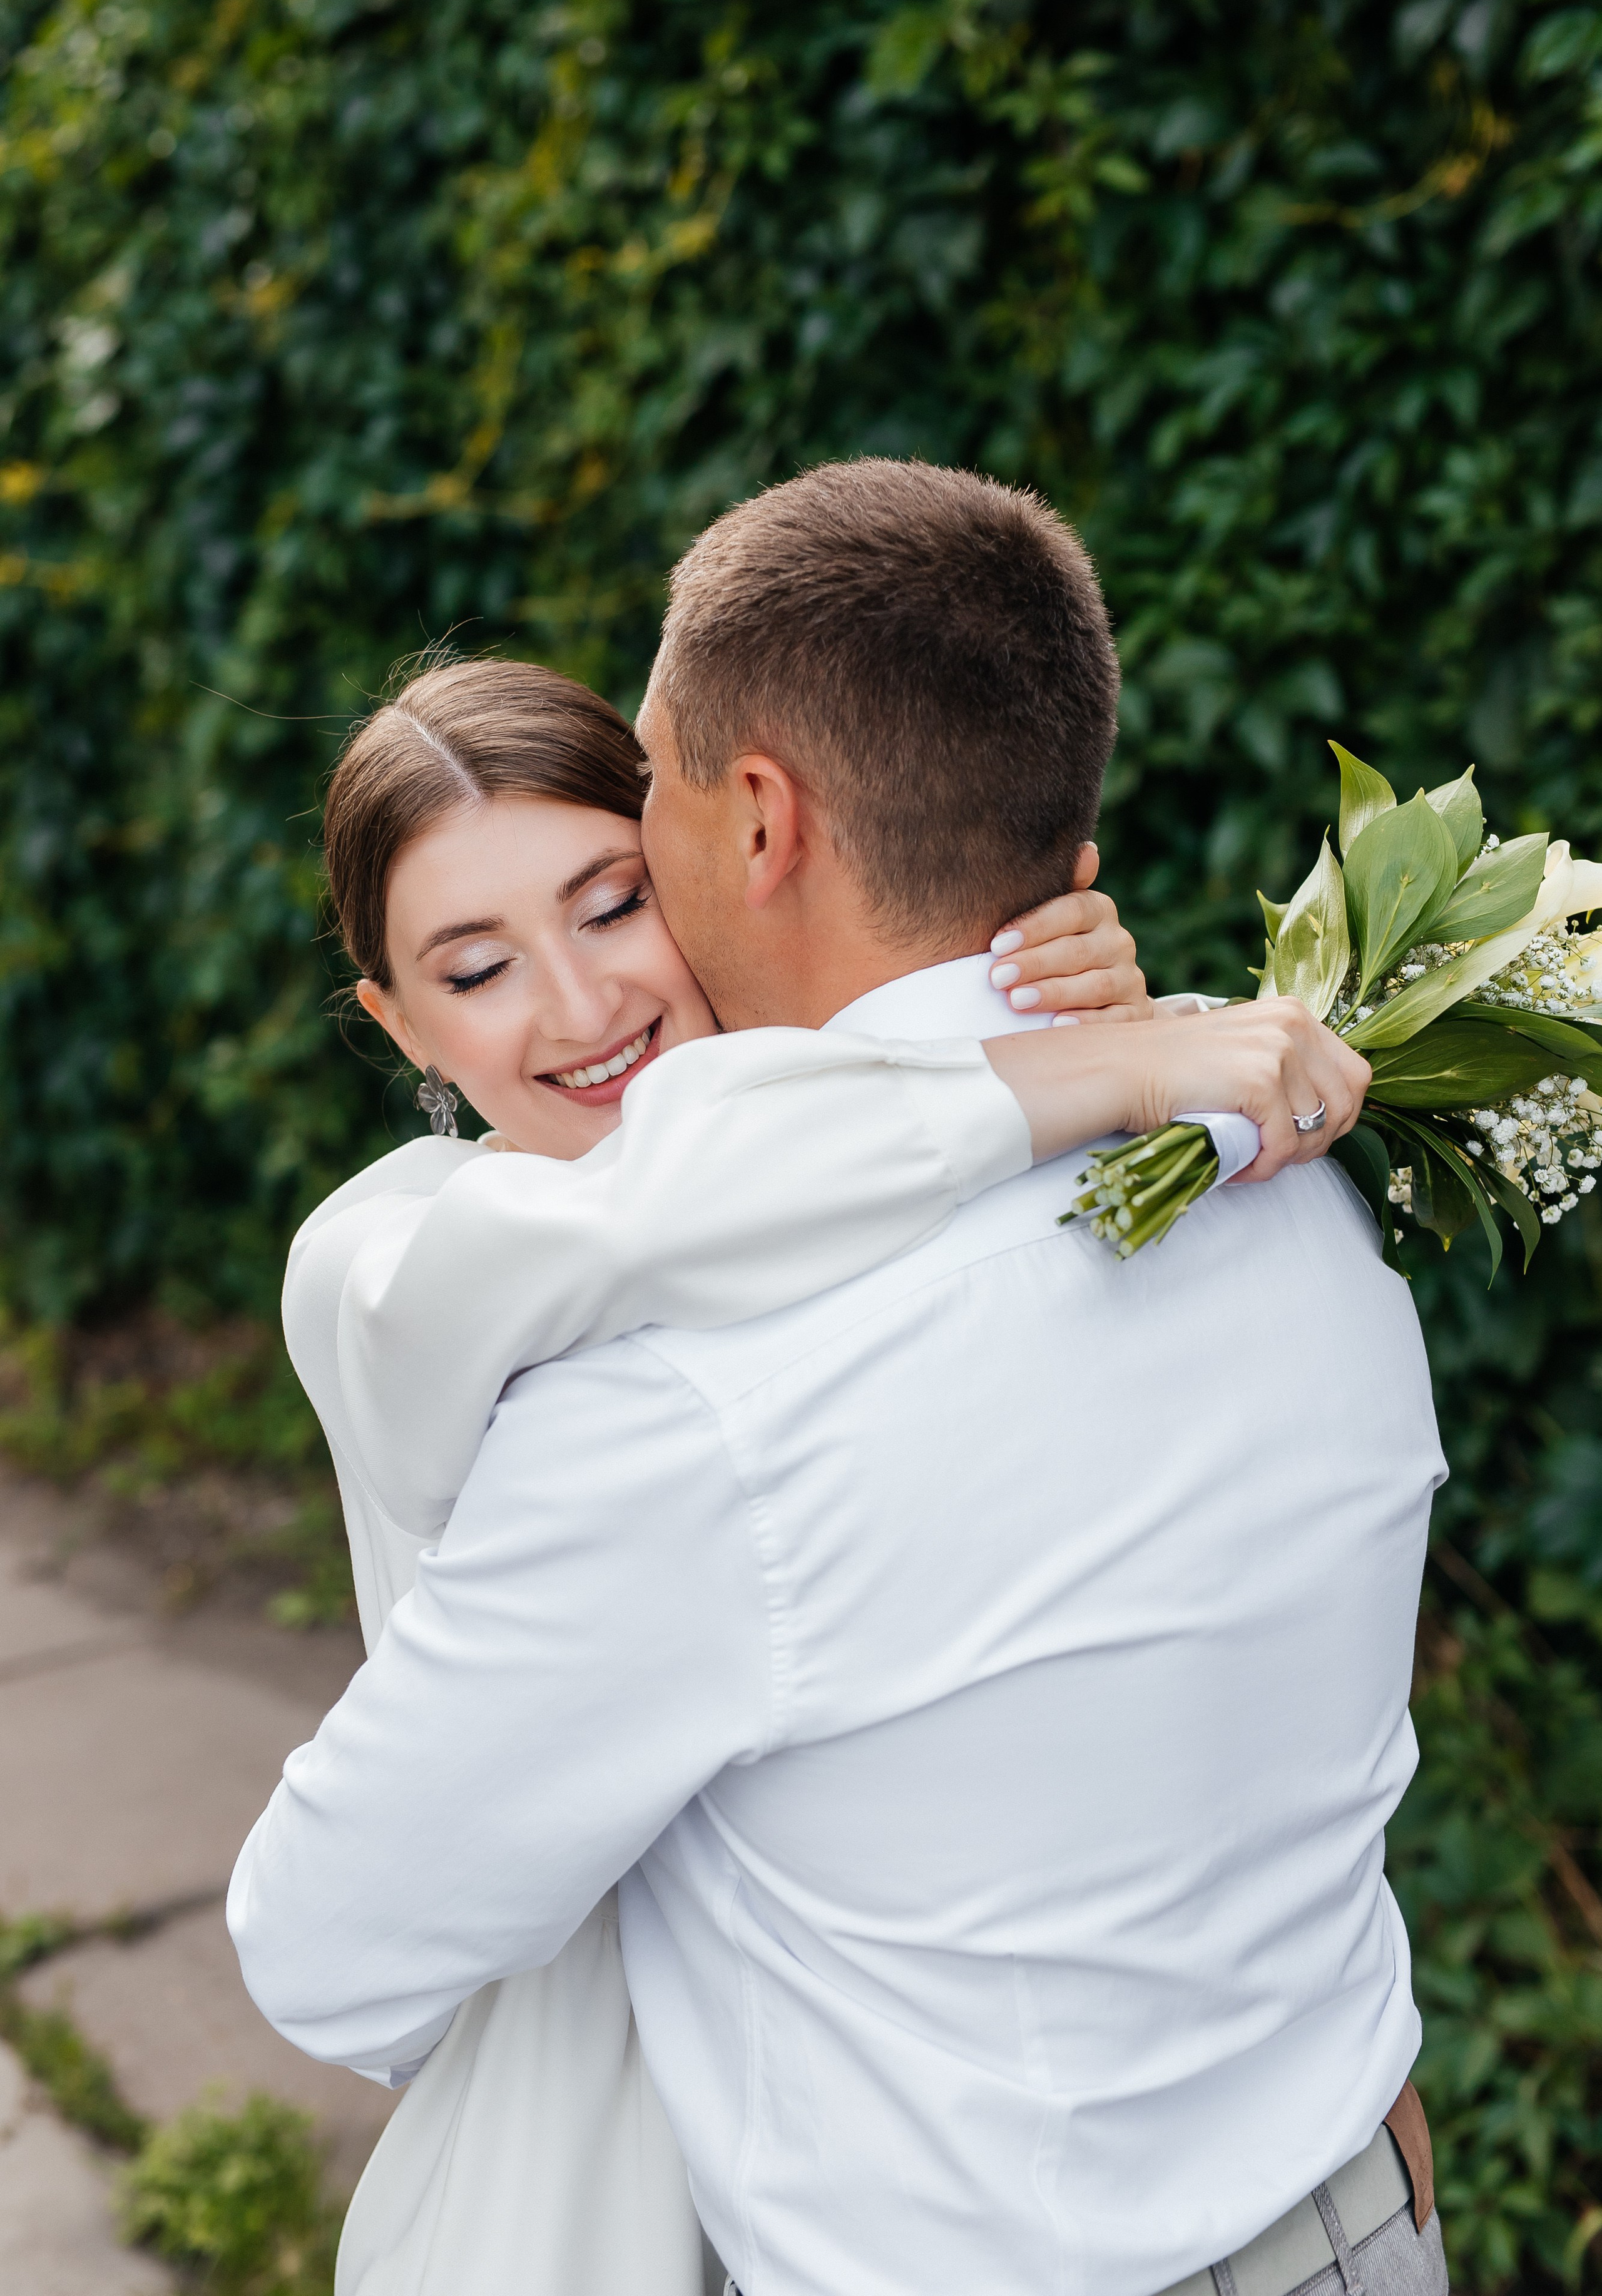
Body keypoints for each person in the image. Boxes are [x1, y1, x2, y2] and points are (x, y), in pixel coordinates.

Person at [232, 460, 1441, 2296]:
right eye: (473, 966)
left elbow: (328, 1944)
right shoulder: (1283, 1182)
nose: (577, 1006)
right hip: (1358, 2223)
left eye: (633, 844)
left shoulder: (695, 1411)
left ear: (759, 823)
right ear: (392, 1018)